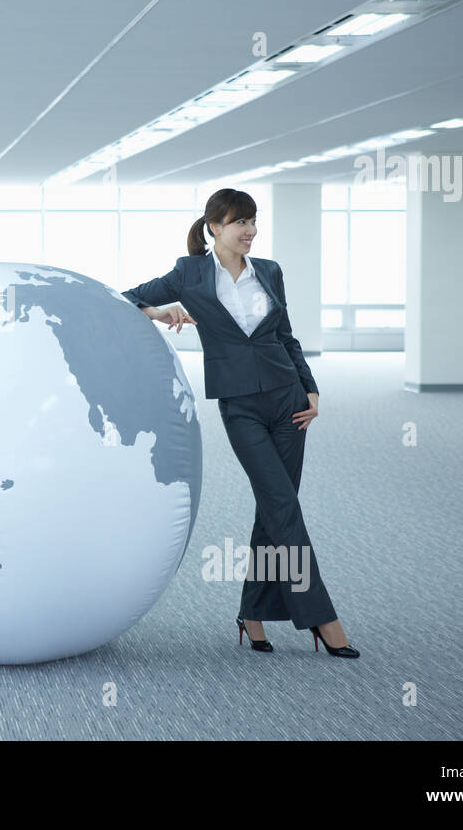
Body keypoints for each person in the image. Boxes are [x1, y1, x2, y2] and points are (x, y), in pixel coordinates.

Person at [120, 188, 358, 659]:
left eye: (253, 221)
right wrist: (157, 310)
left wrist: (310, 388)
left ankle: (252, 615)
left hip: (289, 402)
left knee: (274, 509)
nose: (249, 230)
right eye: (239, 222)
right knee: (282, 506)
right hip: (241, 406)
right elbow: (126, 299)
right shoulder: (189, 274)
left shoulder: (268, 271)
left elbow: (285, 335)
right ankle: (323, 618)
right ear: (214, 227)